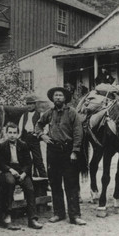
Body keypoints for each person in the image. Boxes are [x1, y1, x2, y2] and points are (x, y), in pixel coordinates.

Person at [35, 86, 86, 225]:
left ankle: (75, 215)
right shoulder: (48, 113)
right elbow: (38, 125)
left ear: (65, 99)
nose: (58, 97)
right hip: (53, 151)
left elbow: (78, 133)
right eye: (56, 95)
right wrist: (42, 136)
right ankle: (59, 213)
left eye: (60, 95)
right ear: (53, 98)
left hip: (68, 151)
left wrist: (75, 151)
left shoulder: (72, 113)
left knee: (71, 184)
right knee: (55, 183)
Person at [0, 122, 43, 230]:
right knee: (9, 183)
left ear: (18, 134)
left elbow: (28, 163)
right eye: (10, 133)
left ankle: (32, 219)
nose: (12, 135)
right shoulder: (2, 146)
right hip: (9, 170)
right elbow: (1, 163)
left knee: (30, 188)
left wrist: (23, 174)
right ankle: (7, 216)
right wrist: (10, 170)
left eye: (14, 133)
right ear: (6, 133)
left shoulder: (23, 145)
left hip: (21, 171)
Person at [18, 94, 47, 177]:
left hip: (35, 139)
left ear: (35, 105)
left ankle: (44, 179)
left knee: (38, 159)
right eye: (28, 104)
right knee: (25, 160)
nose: (29, 106)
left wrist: (40, 134)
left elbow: (45, 127)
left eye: (31, 104)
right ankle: (26, 179)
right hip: (25, 139)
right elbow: (20, 129)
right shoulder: (24, 115)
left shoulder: (40, 115)